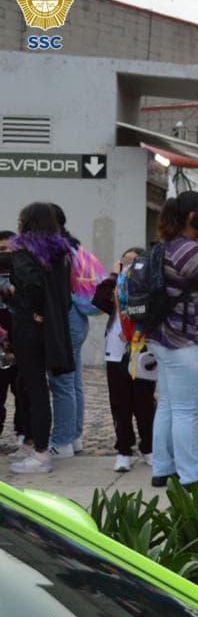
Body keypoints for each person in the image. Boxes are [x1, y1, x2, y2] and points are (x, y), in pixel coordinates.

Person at [146, 191, 198, 491]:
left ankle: (163, 469)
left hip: (167, 337)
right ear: (192, 217)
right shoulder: (186, 250)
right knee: (185, 410)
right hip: (187, 340)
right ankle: (190, 476)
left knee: (169, 405)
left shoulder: (169, 247)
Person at [5, 203, 73, 474]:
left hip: (29, 328)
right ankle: (33, 445)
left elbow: (31, 286)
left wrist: (20, 299)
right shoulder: (60, 253)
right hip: (50, 329)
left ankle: (41, 452)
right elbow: (63, 294)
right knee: (30, 385)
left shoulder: (23, 251)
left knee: (34, 388)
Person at [92, 247, 156, 473]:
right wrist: (113, 276)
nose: (129, 268)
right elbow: (98, 300)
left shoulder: (148, 288)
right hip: (116, 352)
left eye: (134, 264)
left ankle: (149, 447)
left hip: (142, 350)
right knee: (120, 404)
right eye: (124, 263)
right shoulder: (115, 289)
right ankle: (124, 450)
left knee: (145, 402)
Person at [46, 204, 90, 459]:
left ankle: (61, 441)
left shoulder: (56, 251)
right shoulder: (74, 246)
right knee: (73, 381)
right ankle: (74, 438)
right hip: (79, 318)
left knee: (61, 380)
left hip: (65, 317)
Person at [0, 230, 20, 443]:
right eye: (1, 250)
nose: (5, 254)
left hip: (21, 339)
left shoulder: (24, 274)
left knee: (22, 391)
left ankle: (23, 433)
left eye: (10, 249)